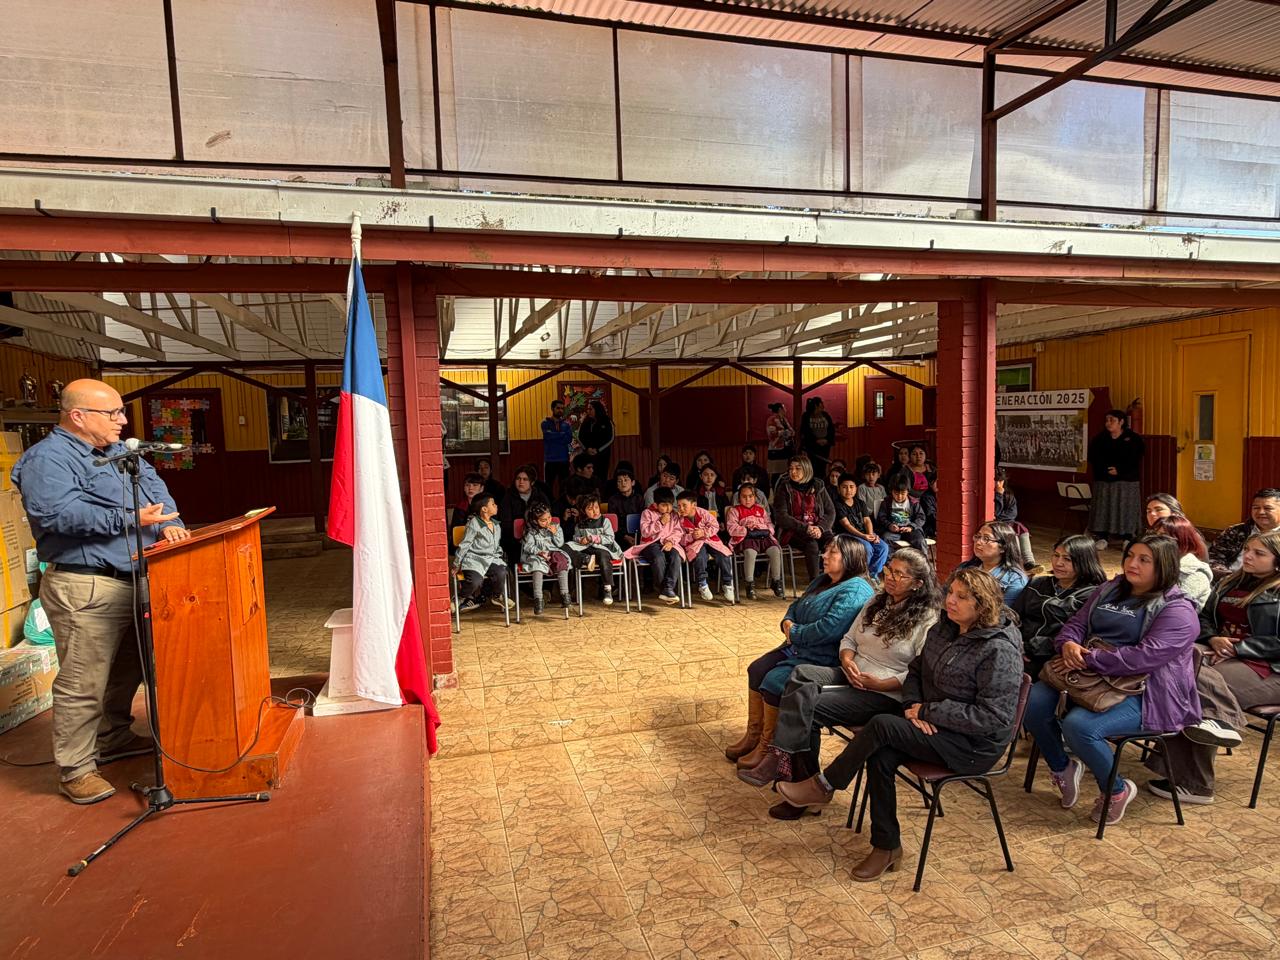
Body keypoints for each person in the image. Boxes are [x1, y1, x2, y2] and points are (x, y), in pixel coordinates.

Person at [776, 568, 1023, 881]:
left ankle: (825, 785)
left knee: (881, 725)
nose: (950, 601)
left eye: (962, 597)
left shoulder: (999, 650)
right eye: (950, 592)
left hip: (972, 745)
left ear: (983, 605)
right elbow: (916, 671)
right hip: (931, 722)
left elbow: (993, 717)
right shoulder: (945, 628)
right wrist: (911, 708)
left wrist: (929, 711)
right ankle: (887, 846)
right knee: (881, 755)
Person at [13, 378, 190, 805]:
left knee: (129, 668)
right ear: (78, 416)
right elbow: (55, 515)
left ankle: (112, 736)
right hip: (86, 583)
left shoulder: (122, 453)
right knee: (84, 680)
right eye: (112, 413)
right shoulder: (47, 459)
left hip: (136, 578)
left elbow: (155, 490)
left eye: (120, 412)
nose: (122, 420)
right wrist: (131, 519)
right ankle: (75, 769)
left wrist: (168, 523)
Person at [1023, 535, 1201, 827]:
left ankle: (1116, 790)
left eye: (1144, 560)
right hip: (1089, 677)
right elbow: (1077, 623)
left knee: (1080, 727)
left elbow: (1143, 658)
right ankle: (1062, 767)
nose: (1132, 564)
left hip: (1146, 692)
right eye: (1130, 555)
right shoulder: (1110, 589)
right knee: (1032, 704)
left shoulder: (1178, 611)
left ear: (1164, 566)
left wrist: (1090, 658)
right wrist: (1068, 643)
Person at [743, 549, 941, 796]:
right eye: (889, 570)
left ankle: (790, 768)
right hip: (852, 672)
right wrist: (847, 659)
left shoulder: (927, 618)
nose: (890, 577)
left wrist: (882, 684)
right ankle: (788, 766)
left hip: (885, 692)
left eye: (899, 575)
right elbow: (849, 639)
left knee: (806, 707)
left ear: (917, 584)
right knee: (802, 674)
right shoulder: (877, 601)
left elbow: (921, 670)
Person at [1144, 531, 1280, 804]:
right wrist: (1213, 638)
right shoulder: (1230, 582)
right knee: (1174, 665)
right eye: (1247, 550)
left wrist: (1239, 649)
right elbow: (1203, 617)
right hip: (1220, 654)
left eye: (1258, 553)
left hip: (1267, 667)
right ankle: (1217, 724)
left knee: (1193, 683)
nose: (1247, 556)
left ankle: (1196, 784)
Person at [726, 536, 875, 770]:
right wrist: (787, 621)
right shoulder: (823, 580)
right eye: (826, 551)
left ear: (850, 558)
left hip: (823, 656)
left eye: (832, 552)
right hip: (799, 646)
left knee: (774, 681)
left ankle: (769, 747)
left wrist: (794, 632)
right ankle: (754, 736)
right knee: (757, 669)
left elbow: (829, 629)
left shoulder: (856, 589)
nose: (824, 556)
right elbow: (796, 605)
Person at [1013, 534, 1107, 679]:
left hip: (1051, 657)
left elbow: (1081, 634)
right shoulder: (1037, 583)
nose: (1058, 563)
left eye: (1067, 559)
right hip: (1017, 647)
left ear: (1084, 562)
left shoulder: (1091, 595)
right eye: (1056, 555)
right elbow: (1014, 616)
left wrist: (1029, 648)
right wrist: (1013, 642)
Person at [773, 454, 836, 583]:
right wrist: (806, 528)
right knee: (812, 545)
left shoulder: (818, 485)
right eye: (791, 468)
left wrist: (820, 528)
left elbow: (830, 512)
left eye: (797, 468)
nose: (793, 472)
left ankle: (834, 578)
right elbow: (781, 516)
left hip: (818, 527)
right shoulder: (784, 487)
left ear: (807, 469)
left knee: (834, 543)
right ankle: (815, 583)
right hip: (794, 530)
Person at [1087, 409, 1145, 548]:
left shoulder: (1133, 438)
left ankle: (1128, 538)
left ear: (1121, 422)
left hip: (1127, 481)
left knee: (1126, 508)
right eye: (1107, 420)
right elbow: (1093, 458)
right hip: (1103, 480)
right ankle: (1102, 537)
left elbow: (1135, 458)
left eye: (1112, 420)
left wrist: (1120, 470)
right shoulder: (1099, 439)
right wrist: (1106, 470)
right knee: (1103, 508)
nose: (1108, 423)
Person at [452, 493, 514, 613]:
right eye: (493, 504)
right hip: (474, 560)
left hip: (491, 559)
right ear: (484, 509)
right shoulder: (474, 523)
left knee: (501, 572)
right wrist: (456, 563)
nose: (496, 506)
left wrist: (499, 557)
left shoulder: (496, 525)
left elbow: (496, 546)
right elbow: (465, 544)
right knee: (475, 581)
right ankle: (461, 597)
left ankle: (497, 596)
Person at [623, 487, 684, 604]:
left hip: (669, 543)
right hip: (650, 544)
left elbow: (678, 531)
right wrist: (660, 522)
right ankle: (664, 589)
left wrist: (671, 542)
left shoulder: (674, 515)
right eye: (664, 505)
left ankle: (668, 587)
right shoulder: (647, 513)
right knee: (658, 557)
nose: (668, 508)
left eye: (670, 505)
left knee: (676, 556)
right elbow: (645, 532)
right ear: (656, 505)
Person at [726, 483, 784, 600]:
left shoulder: (761, 509)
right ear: (739, 498)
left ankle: (776, 581)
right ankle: (749, 584)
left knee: (775, 550)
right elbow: (731, 528)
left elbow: (769, 524)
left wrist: (766, 529)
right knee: (750, 552)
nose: (747, 499)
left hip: (763, 536)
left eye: (750, 496)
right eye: (744, 497)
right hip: (747, 538)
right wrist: (746, 529)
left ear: (755, 497)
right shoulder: (734, 510)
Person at [676, 490, 735, 603]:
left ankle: (728, 584)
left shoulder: (703, 513)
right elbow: (679, 537)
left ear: (694, 505)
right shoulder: (679, 520)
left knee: (723, 556)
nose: (681, 509)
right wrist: (691, 536)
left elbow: (715, 526)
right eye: (678, 506)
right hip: (694, 544)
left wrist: (703, 532)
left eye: (684, 505)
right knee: (700, 557)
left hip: (710, 540)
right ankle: (702, 584)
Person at [565, 493, 623, 605]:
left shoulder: (604, 521)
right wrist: (580, 539)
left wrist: (593, 538)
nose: (595, 511)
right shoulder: (580, 523)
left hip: (602, 547)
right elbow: (575, 537)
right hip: (586, 548)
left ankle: (607, 589)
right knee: (566, 547)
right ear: (583, 511)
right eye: (590, 509)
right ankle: (585, 559)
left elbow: (610, 538)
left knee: (603, 556)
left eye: (596, 507)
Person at [1209, 488, 1280, 579]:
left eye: (1268, 508)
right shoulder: (1236, 531)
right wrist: (1229, 577)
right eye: (1256, 508)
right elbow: (1214, 557)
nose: (1261, 512)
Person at [834, 472, 889, 578]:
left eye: (851, 487)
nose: (848, 490)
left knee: (883, 547)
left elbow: (867, 520)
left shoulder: (860, 503)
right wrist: (864, 536)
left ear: (856, 488)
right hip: (847, 535)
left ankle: (872, 575)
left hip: (864, 534)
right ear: (839, 489)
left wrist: (870, 535)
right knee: (866, 548)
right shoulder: (837, 504)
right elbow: (846, 524)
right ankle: (860, 576)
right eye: (844, 487)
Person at [1151, 515, 1213, 611]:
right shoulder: (1157, 562)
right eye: (1154, 536)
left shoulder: (1195, 574)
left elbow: (1174, 609)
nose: (1155, 541)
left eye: (1164, 537)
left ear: (1183, 540)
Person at [520, 502, 572, 614]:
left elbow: (560, 544)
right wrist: (539, 552)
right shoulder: (531, 531)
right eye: (543, 520)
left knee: (562, 561)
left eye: (549, 517)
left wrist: (555, 533)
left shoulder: (556, 527)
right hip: (537, 555)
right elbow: (528, 546)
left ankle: (565, 595)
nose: (548, 521)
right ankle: (538, 599)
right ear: (535, 521)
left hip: (553, 554)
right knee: (537, 566)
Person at [960, 520, 1027, 603]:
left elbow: (1005, 610)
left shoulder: (1015, 579)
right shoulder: (964, 567)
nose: (978, 542)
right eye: (978, 536)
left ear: (1003, 547)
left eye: (986, 538)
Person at [498, 464, 548, 563]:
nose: (521, 482)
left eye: (525, 479)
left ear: (532, 482)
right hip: (514, 541)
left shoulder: (540, 496)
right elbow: (505, 523)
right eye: (518, 479)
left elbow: (547, 517)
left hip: (538, 538)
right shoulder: (508, 497)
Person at [993, 467, 1039, 570]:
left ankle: (1029, 562)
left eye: (1000, 481)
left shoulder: (1009, 495)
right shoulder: (989, 495)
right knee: (1011, 533)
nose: (998, 484)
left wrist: (1001, 518)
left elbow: (1012, 514)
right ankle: (1015, 564)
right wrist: (998, 495)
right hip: (993, 525)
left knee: (1020, 528)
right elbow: (995, 513)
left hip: (1007, 522)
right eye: (995, 481)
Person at [874, 477, 927, 555]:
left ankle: (922, 561)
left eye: (903, 493)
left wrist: (911, 527)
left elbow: (921, 517)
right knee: (885, 539)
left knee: (920, 541)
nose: (899, 496)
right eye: (896, 493)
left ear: (908, 491)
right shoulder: (886, 502)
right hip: (893, 531)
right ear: (891, 491)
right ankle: (890, 560)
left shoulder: (914, 502)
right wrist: (889, 525)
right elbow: (881, 517)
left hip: (910, 530)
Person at [540, 400, 574, 498]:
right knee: (548, 485)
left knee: (564, 485)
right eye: (558, 408)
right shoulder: (545, 423)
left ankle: (562, 504)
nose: (560, 410)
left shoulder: (566, 425)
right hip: (550, 459)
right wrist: (562, 434)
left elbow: (568, 439)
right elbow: (547, 436)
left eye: (562, 408)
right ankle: (549, 504)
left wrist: (554, 435)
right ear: (552, 409)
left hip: (564, 459)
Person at [607, 469, 644, 548]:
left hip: (638, 535)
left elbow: (643, 520)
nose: (623, 483)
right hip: (619, 537)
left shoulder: (639, 499)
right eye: (619, 481)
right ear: (617, 485)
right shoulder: (612, 500)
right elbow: (612, 524)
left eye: (626, 480)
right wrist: (625, 537)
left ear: (633, 482)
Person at [577, 400, 614, 480]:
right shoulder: (585, 422)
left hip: (602, 456)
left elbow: (610, 438)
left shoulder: (607, 421)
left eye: (590, 409)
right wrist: (587, 449)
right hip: (588, 455)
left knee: (601, 477)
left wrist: (598, 450)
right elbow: (579, 437)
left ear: (597, 409)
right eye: (588, 409)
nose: (588, 411)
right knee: (588, 478)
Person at [799, 397, 837, 473]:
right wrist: (815, 440)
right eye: (821, 403)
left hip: (825, 445)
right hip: (812, 446)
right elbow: (805, 430)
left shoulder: (825, 415)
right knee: (813, 464)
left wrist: (827, 440)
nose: (823, 405)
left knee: (823, 464)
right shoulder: (807, 416)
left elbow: (831, 429)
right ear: (816, 405)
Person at [766, 403, 794, 488]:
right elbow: (772, 433)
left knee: (785, 471)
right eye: (784, 408)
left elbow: (792, 431)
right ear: (780, 409)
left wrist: (786, 433)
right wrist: (785, 433)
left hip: (786, 448)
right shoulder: (771, 419)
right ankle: (775, 489)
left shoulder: (784, 419)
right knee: (776, 472)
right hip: (776, 449)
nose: (786, 410)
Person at [450, 472, 484, 538]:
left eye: (475, 485)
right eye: (467, 485)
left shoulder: (488, 506)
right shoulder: (460, 507)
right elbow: (455, 530)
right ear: (464, 488)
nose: (470, 488)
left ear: (481, 488)